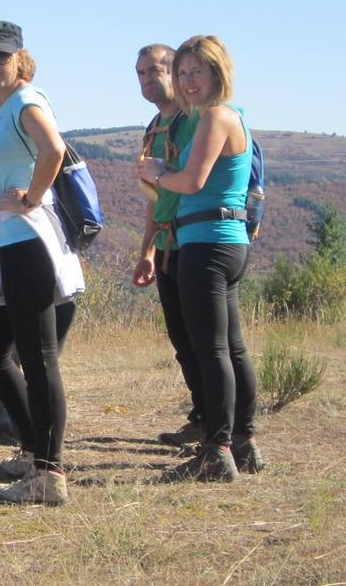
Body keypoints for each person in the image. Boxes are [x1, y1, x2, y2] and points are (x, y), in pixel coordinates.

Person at [137, 35, 262, 481]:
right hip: (228, 240)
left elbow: (191, 181)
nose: (188, 82)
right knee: (231, 346)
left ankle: (218, 448)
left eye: (196, 73)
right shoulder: (235, 116)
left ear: (217, 73)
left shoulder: (214, 117)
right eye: (183, 73)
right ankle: (244, 442)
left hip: (206, 242)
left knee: (211, 350)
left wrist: (158, 173)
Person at [0, 21, 83, 506]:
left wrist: (31, 198)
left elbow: (53, 149)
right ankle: (35, 448)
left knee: (38, 359)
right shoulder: (7, 106)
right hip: (13, 242)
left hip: (29, 241)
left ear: (19, 57)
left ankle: (48, 474)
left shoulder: (24, 100)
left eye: (0, 56)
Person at [132, 43, 205, 447]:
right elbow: (155, 197)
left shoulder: (196, 120)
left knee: (206, 340)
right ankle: (203, 416)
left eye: (154, 70)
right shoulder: (154, 128)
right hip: (167, 245)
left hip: (198, 239)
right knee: (183, 339)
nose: (146, 79)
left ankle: (228, 429)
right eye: (140, 73)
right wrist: (146, 250)